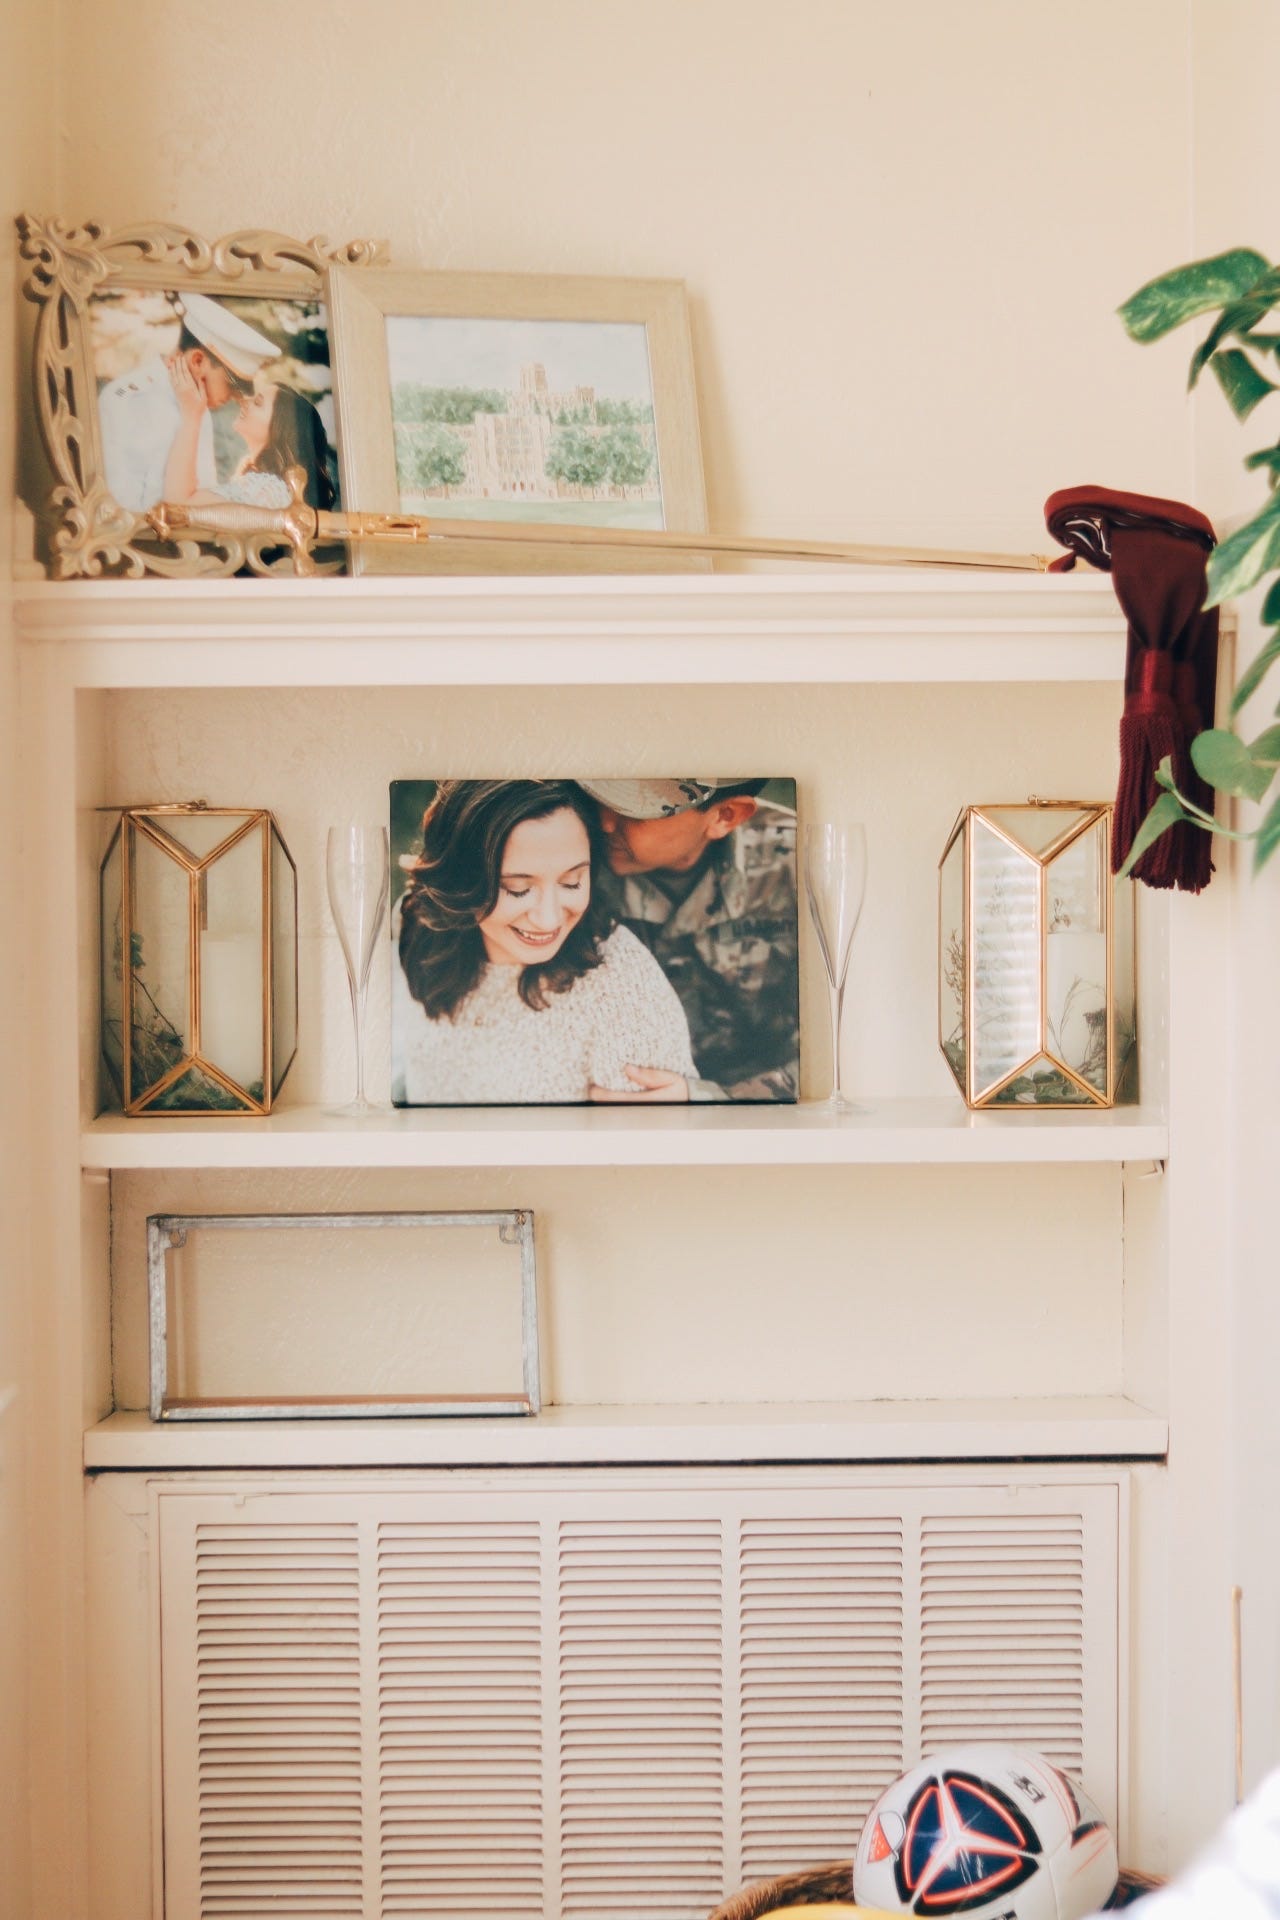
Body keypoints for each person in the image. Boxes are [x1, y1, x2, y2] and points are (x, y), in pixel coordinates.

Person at [394, 780, 696, 1105]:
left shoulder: (623, 989)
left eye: (572, 882)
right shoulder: (417, 924)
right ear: (461, 880)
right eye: (518, 889)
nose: (549, 919)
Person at [577, 778, 799, 1103]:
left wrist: (710, 1100)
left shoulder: (798, 862)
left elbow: (841, 1049)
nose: (605, 821)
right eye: (604, 799)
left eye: (637, 812)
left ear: (724, 815)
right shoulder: (571, 849)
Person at [96, 291, 281, 511]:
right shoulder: (128, 400)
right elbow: (117, 508)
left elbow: (202, 497)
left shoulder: (196, 407)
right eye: (230, 386)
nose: (234, 398)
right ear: (197, 361)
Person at [162, 373, 337, 511]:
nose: (244, 401)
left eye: (258, 402)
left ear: (279, 429)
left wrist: (190, 412)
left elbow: (179, 505)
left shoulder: (268, 490)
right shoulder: (269, 487)